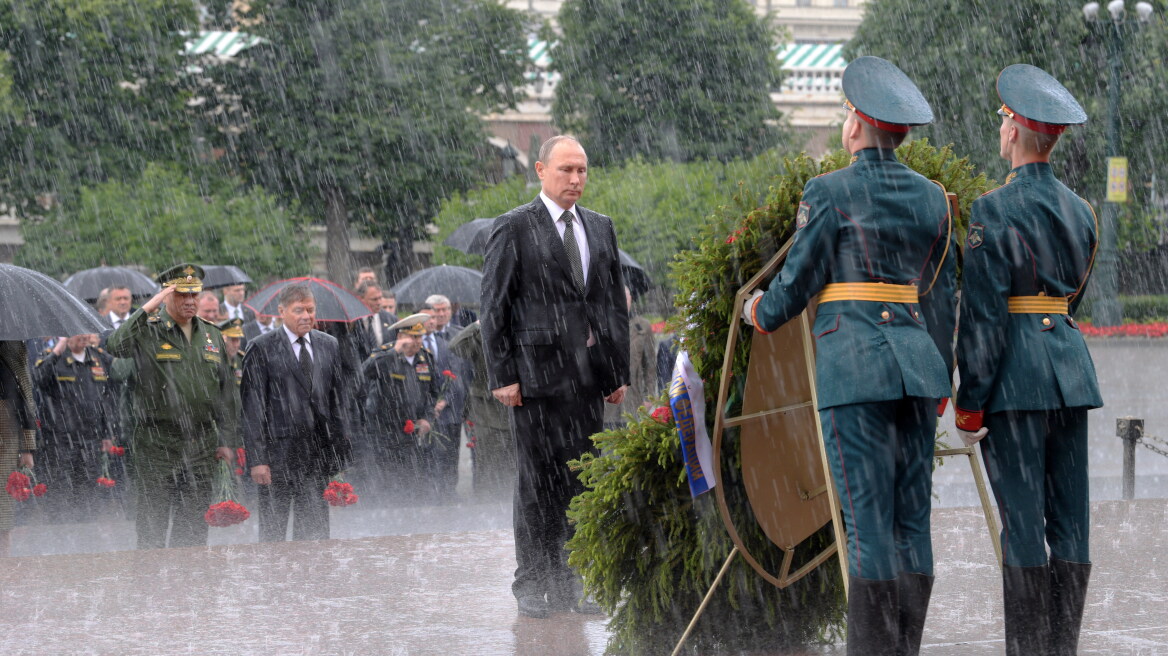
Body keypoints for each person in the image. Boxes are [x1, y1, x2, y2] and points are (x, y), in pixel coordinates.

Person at [741, 56, 955, 655]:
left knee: (864, 523)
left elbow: (797, 281)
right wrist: (944, 377)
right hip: (917, 370)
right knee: (912, 521)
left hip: (855, 364)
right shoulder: (934, 199)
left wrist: (760, 311)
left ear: (857, 124)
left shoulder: (829, 191)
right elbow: (942, 294)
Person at [953, 64, 1101, 656]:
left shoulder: (992, 210)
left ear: (1014, 131)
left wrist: (970, 405)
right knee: (1071, 524)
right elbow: (1070, 301)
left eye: (1003, 119)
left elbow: (984, 319)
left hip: (1015, 383)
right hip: (1069, 375)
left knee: (1022, 528)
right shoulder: (1083, 211)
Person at [481, 135, 630, 619]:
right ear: (541, 170)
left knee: (582, 483)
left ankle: (576, 581)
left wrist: (616, 372)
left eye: (582, 170)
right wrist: (503, 374)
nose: (576, 179)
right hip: (534, 382)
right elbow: (494, 306)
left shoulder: (601, 228)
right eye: (566, 170)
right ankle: (532, 580)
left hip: (586, 381)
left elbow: (609, 305)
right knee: (536, 484)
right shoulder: (514, 227)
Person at [105, 264, 241, 549]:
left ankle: (188, 590)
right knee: (152, 526)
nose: (190, 301)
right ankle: (150, 590)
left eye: (194, 295)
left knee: (192, 530)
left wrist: (227, 440)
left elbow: (226, 393)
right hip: (158, 443)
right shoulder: (148, 330)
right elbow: (116, 346)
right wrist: (146, 309)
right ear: (166, 295)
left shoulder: (211, 335)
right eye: (181, 295)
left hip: (201, 443)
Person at [241, 283, 351, 542]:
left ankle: (312, 580)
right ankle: (275, 579)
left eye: (311, 310)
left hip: (316, 454)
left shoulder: (328, 344)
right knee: (274, 532)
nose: (306, 316)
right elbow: (252, 406)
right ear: (281, 311)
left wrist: (339, 449)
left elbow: (336, 399)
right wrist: (257, 459)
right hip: (277, 454)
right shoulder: (261, 347)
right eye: (298, 310)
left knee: (314, 531)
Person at [32, 334, 117, 520]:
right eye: (78, 332)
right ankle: (61, 536)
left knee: (88, 490)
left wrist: (107, 432)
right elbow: (38, 379)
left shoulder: (98, 357)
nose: (84, 337)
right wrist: (58, 349)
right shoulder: (52, 357)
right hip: (60, 437)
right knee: (59, 488)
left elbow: (107, 398)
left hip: (90, 436)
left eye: (86, 332)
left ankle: (87, 535)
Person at [361, 314, 440, 500]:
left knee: (411, 480)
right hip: (384, 430)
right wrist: (394, 352)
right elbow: (366, 371)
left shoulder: (425, 358)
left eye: (420, 337)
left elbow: (432, 392)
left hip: (411, 430)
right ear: (401, 336)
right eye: (413, 337)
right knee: (384, 481)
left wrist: (427, 418)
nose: (417, 341)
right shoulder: (385, 353)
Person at [449, 320, 514, 497]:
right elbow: (456, 346)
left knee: (515, 464)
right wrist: (479, 323)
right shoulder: (484, 333)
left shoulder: (520, 328)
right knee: (488, 465)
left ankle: (512, 502)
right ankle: (487, 505)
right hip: (486, 410)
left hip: (516, 407)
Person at [420, 295, 467, 502]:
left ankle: (449, 491)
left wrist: (445, 399)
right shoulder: (416, 337)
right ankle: (429, 491)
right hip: (425, 408)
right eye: (435, 311)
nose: (440, 315)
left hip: (451, 406)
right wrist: (430, 404)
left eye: (444, 310)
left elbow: (460, 371)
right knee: (428, 452)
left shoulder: (457, 336)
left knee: (450, 451)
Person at [0, 341, 36, 556]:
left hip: (6, 428)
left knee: (3, 507)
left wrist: (28, 446)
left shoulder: (11, 341)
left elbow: (24, 391)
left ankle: (3, 565)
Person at [603, 287, 656, 429]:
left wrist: (649, 396)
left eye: (625, 296)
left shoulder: (642, 327)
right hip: (607, 405)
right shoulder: (601, 325)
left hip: (634, 402)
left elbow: (650, 365)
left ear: (631, 298)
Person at [354, 281, 397, 356]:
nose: (379, 302)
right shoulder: (352, 321)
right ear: (361, 299)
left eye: (380, 298)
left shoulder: (391, 319)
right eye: (374, 299)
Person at [217, 318, 246, 386]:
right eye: (232, 340)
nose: (236, 345)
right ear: (223, 339)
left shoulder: (241, 360)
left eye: (238, 340)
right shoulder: (215, 360)